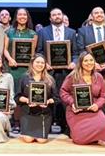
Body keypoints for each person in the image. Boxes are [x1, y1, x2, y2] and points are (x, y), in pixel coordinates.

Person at [36, 7, 76, 135]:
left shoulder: (71, 32)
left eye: (59, 14)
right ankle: (47, 125)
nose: (57, 16)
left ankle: (65, 126)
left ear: (62, 16)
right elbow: (39, 51)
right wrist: (45, 62)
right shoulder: (43, 32)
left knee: (65, 98)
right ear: (50, 18)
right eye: (54, 15)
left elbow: (76, 52)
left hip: (66, 71)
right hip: (49, 71)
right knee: (49, 97)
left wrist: (74, 62)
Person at [59, 50, 105, 145]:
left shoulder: (98, 77)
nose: (89, 63)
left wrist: (97, 105)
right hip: (76, 110)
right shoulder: (72, 76)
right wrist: (72, 103)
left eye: (91, 60)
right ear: (81, 63)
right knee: (80, 140)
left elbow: (103, 95)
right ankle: (79, 134)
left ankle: (94, 137)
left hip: (93, 110)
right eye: (86, 61)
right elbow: (63, 92)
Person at [16, 53, 56, 143]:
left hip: (44, 114)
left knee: (41, 140)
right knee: (28, 140)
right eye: (37, 62)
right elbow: (17, 97)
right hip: (27, 113)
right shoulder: (24, 78)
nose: (40, 64)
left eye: (42, 63)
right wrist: (27, 100)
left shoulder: (50, 79)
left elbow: (56, 98)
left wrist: (48, 101)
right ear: (32, 63)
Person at [3, 8, 37, 90]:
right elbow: (5, 49)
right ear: (16, 17)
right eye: (20, 14)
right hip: (11, 67)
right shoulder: (9, 32)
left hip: (26, 68)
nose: (22, 16)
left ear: (27, 17)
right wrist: (10, 59)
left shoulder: (33, 34)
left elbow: (33, 52)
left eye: (24, 15)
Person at [75, 7, 105, 73]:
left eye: (101, 13)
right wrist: (92, 63)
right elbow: (81, 49)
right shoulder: (82, 31)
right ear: (92, 16)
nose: (99, 14)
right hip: (89, 69)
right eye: (96, 13)